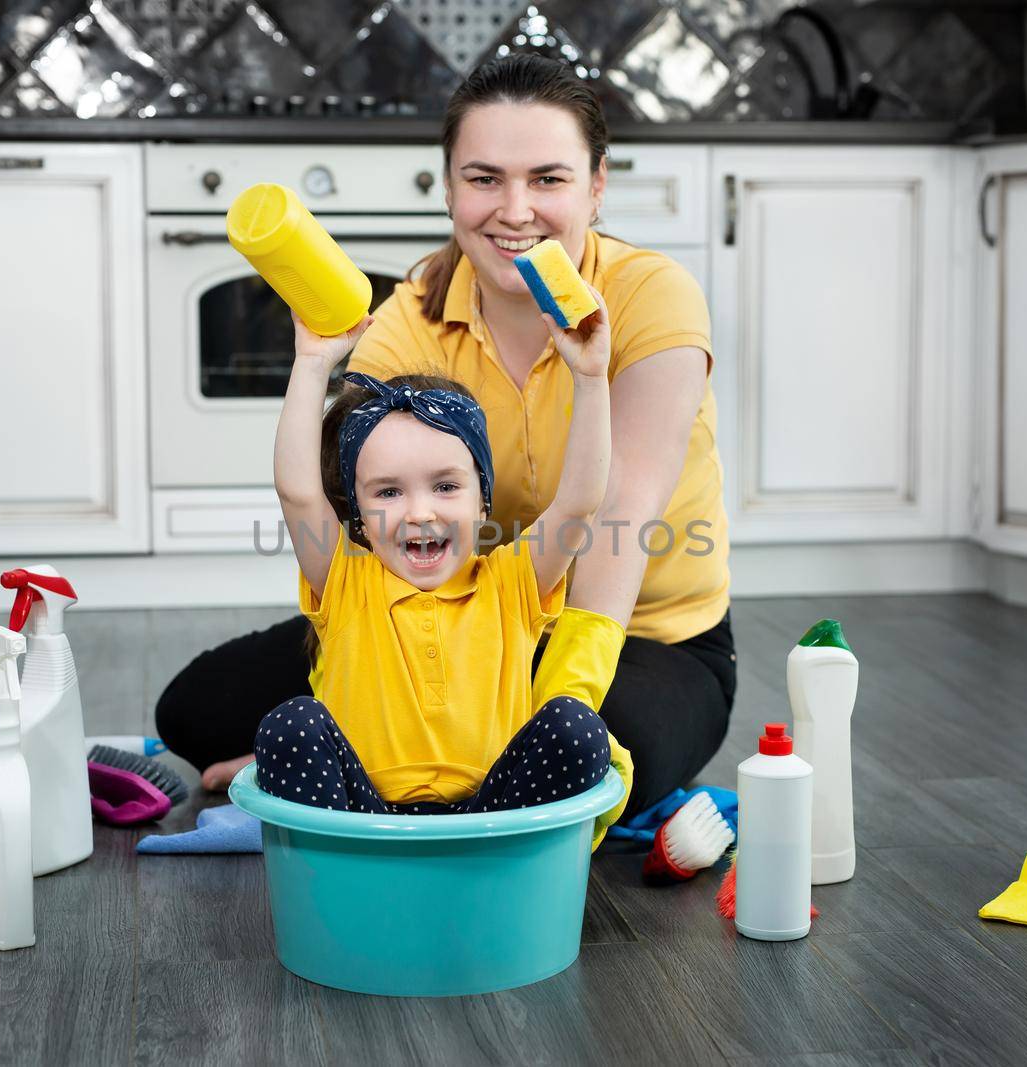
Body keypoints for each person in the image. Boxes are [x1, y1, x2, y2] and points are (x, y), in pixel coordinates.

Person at [157, 53, 735, 817]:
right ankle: (393, 773)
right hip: (446, 618)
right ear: (450, 186)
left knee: (595, 745)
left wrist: (536, 709)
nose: (515, 209)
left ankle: (383, 784)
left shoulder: (649, 300)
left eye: (549, 179)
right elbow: (344, 508)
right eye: (485, 177)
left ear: (597, 187)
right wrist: (383, 699)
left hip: (637, 634)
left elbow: (613, 521)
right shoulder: (410, 319)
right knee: (193, 710)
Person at [253, 277, 617, 816]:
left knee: (577, 726)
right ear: (356, 517)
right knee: (290, 723)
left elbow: (579, 503)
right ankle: (340, 887)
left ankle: (499, 886)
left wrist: (589, 377)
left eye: (446, 487)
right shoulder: (346, 582)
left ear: (483, 503)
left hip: (492, 819)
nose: (420, 511)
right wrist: (311, 363)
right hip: (364, 821)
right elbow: (298, 490)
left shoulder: (513, 582)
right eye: (389, 492)